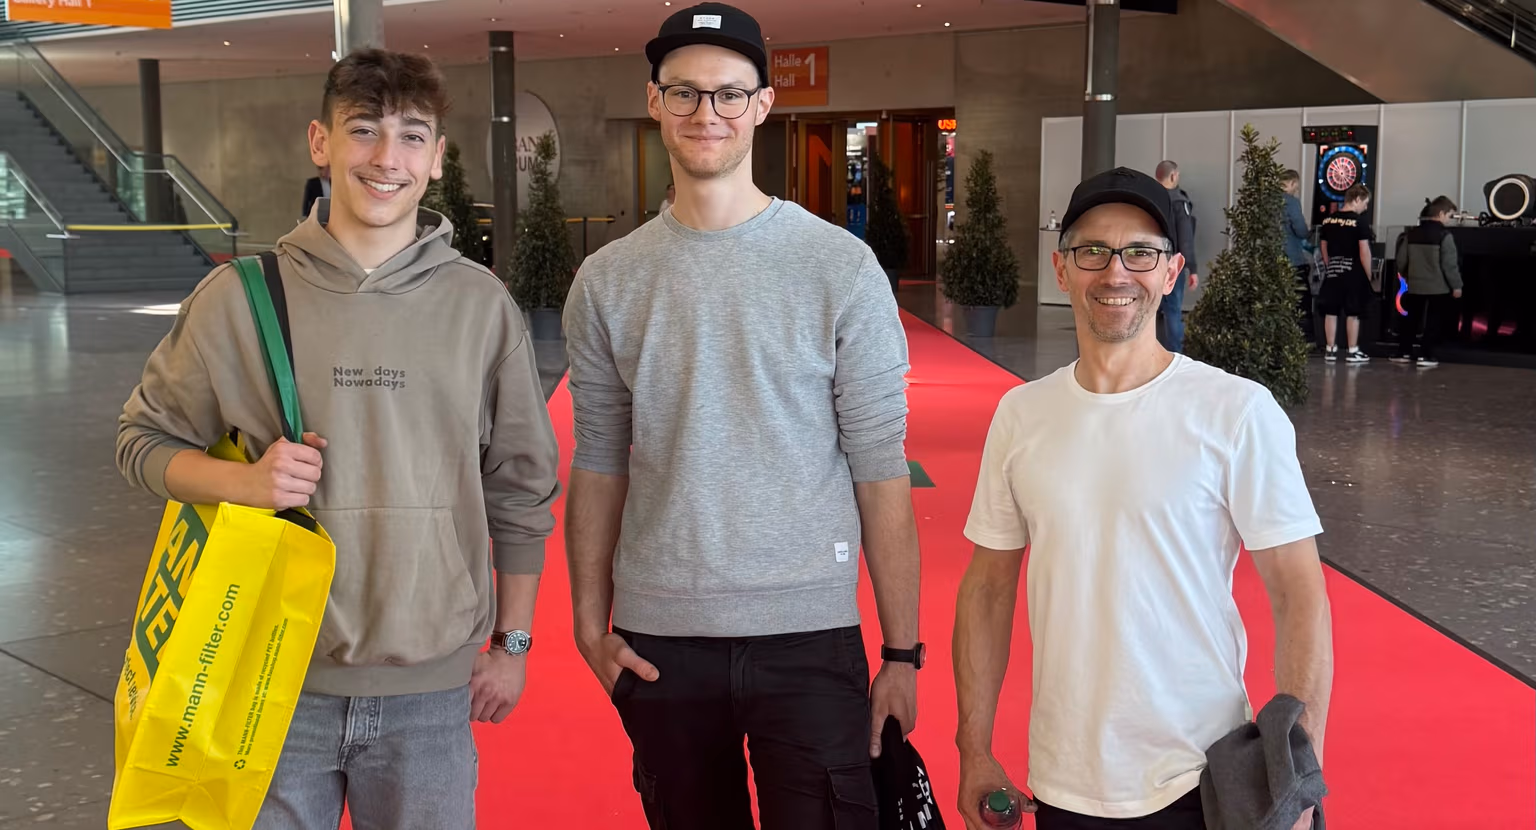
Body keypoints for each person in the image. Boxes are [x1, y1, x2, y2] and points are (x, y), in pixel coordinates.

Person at [116, 48, 561, 829]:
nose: (387, 159)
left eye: (412, 136)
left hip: (430, 694)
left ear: (437, 158)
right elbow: (142, 440)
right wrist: (243, 483)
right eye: (364, 131)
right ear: (320, 143)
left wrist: (512, 644)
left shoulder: (479, 306)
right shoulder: (238, 299)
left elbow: (520, 489)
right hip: (268, 681)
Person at [563, 4, 922, 829]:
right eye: (684, 94)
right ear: (654, 101)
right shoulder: (607, 281)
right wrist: (588, 623)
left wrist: (901, 652)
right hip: (660, 641)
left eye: (729, 95)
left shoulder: (839, 266)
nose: (707, 115)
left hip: (811, 633)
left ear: (763, 105)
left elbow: (879, 464)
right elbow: (599, 456)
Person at [952, 166, 1334, 830]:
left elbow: (1299, 593)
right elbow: (987, 588)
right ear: (1062, 268)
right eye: (1093, 250)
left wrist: (1294, 775)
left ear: (1173, 272)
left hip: (1202, 779)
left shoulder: (1235, 412)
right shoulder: (1022, 414)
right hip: (1062, 779)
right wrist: (974, 747)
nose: (1116, 271)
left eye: (1141, 252)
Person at [1392, 196, 1463, 368]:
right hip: (1438, 288)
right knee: (1433, 321)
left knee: (1410, 320)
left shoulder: (1410, 234)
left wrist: (1407, 276)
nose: (1450, 221)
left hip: (1414, 285)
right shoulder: (1445, 236)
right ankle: (1426, 355)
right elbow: (1449, 265)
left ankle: (1404, 352)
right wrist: (1456, 286)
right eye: (1450, 216)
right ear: (1441, 214)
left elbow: (1401, 261)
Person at [1316, 184, 1375, 364]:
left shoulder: (1328, 221)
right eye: (1365, 203)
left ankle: (1330, 349)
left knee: (1331, 311)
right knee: (1353, 312)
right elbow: (1363, 250)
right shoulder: (1359, 222)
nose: (1365, 208)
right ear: (1357, 199)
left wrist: (1329, 264)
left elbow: (1323, 246)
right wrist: (1369, 273)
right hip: (1353, 272)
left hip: (1333, 269)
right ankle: (1352, 350)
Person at [1154, 160, 1198, 352]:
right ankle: (1175, 355)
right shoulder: (1179, 202)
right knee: (1173, 309)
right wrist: (1192, 268)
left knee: (1153, 309)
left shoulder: (1150, 199)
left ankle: (1155, 351)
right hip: (1172, 263)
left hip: (1151, 261)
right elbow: (1185, 237)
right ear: (1173, 176)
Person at [1280, 169, 1314, 340]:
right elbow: (1300, 229)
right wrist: (1309, 234)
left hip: (1271, 260)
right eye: (1296, 186)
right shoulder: (1291, 202)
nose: (1296, 190)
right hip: (1292, 258)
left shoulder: (1266, 200)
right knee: (1302, 300)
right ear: (1292, 183)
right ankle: (1303, 338)